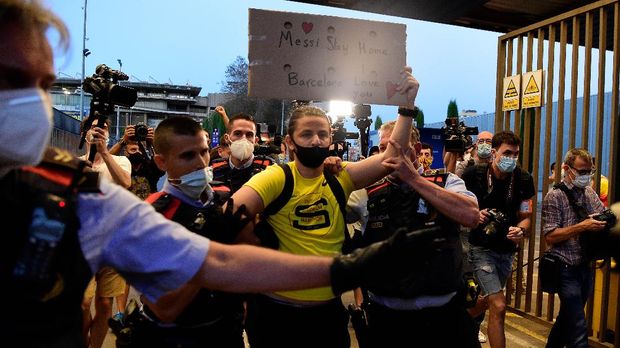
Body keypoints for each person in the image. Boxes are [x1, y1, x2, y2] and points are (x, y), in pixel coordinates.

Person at [0, 2, 432, 346]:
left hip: (281, 322)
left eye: (41, 85)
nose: (32, 104)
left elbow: (222, 260)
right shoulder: (269, 180)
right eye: (11, 80)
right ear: (288, 141)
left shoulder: (81, 200)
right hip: (268, 316)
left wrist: (346, 268)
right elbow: (170, 301)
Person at [232, 70, 420, 348]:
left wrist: (406, 107)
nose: (316, 140)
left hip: (327, 314)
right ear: (289, 142)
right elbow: (230, 213)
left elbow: (393, 156)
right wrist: (253, 243)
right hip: (276, 314)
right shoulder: (276, 177)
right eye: (306, 134)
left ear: (331, 139)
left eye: (322, 134)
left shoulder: (341, 176)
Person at [347, 120, 480, 347]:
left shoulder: (447, 182)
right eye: (382, 149)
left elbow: (471, 216)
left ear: (417, 150)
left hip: (444, 318)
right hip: (387, 319)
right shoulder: (366, 193)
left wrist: (414, 179)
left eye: (396, 147)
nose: (387, 155)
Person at [461, 131, 535, 348]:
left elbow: (526, 217)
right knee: (499, 304)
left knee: (489, 302)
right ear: (494, 153)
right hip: (479, 248)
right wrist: (475, 215)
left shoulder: (523, 179)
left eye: (516, 154)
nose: (511, 158)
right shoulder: (473, 175)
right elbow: (456, 206)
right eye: (507, 153)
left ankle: (456, 319)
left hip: (506, 251)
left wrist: (520, 230)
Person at [542, 148, 606, 348]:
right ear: (567, 169)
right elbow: (550, 236)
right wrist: (582, 226)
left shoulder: (589, 193)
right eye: (581, 172)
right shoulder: (554, 196)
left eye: (589, 172)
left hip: (584, 265)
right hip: (564, 267)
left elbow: (602, 214)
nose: (586, 176)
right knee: (578, 326)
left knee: (567, 317)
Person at [78, 117, 132, 348]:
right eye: (93, 127)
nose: (98, 130)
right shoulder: (75, 162)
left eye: (104, 127)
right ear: (84, 133)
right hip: (83, 244)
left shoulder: (120, 160)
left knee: (105, 304)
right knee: (82, 303)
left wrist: (105, 154)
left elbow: (126, 183)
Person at [211, 112, 274, 193]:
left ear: (256, 140)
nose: (243, 139)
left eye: (249, 135)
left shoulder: (269, 167)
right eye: (237, 134)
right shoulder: (215, 168)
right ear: (227, 138)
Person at [109, 124, 164, 200]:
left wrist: (154, 143)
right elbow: (107, 159)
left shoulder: (151, 166)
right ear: (126, 152)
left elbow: (164, 162)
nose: (138, 152)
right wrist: (123, 141)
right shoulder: (121, 166)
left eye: (141, 150)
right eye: (133, 150)